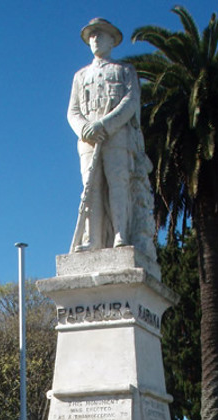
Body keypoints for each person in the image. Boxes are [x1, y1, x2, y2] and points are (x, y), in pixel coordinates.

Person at [67, 18, 155, 261]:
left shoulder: (125, 71)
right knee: (90, 187)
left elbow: (130, 102)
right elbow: (72, 111)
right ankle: (92, 239)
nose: (95, 39)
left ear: (111, 40)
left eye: (100, 34)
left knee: (118, 183)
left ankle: (120, 235)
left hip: (117, 136)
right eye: (91, 36)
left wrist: (105, 125)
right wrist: (85, 128)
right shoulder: (80, 76)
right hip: (87, 141)